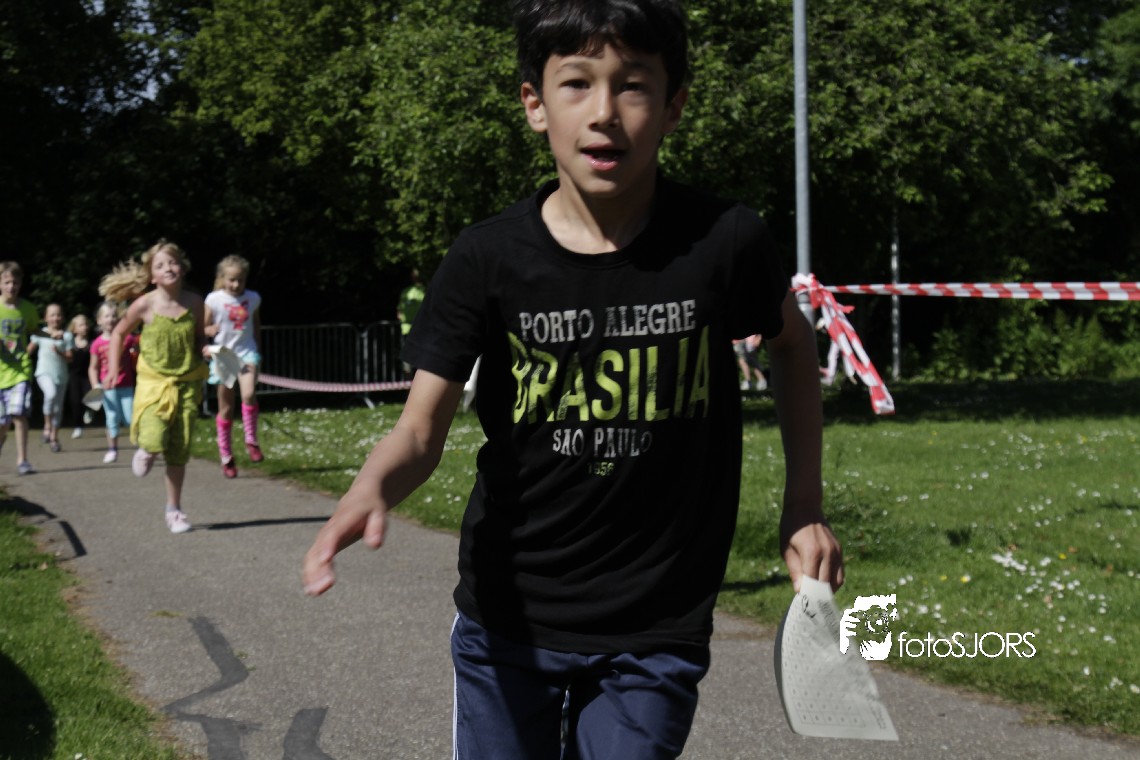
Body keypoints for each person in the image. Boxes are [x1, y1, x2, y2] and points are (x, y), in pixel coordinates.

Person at [302, 2, 843, 757]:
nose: (604, 112)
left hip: (656, 626)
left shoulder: (724, 241)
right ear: (535, 104)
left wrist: (804, 507)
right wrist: (371, 488)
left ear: (674, 106)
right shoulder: (486, 259)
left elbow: (791, 343)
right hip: (508, 621)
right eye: (577, 83)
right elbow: (420, 431)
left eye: (634, 84)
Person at [100, 240, 208, 534]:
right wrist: (113, 368)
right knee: (153, 436)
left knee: (178, 451)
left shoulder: (196, 303)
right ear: (152, 276)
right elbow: (119, 333)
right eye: (160, 265)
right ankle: (146, 449)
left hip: (186, 384)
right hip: (153, 384)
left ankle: (174, 510)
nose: (168, 268)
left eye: (172, 262)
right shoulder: (144, 304)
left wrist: (205, 347)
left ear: (182, 267)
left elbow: (200, 335)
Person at [204, 255, 264, 478]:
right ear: (222, 278)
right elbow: (204, 327)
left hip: (247, 353)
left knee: (248, 394)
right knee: (226, 409)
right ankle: (226, 456)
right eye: (231, 280)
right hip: (223, 356)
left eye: (240, 280)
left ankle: (251, 440)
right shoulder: (214, 299)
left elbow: (255, 325)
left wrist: (258, 351)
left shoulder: (253, 298)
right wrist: (209, 331)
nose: (236, 284)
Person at [0, 261, 40, 475]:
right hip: (0, 373)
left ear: (20, 283)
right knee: (2, 422)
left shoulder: (28, 309)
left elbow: (34, 330)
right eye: (7, 282)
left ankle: (23, 460)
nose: (11, 286)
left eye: (15, 282)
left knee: (19, 414)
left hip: (20, 371)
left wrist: (51, 335)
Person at [89, 301, 139, 464]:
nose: (111, 319)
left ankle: (141, 448)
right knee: (112, 418)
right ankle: (112, 449)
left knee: (131, 419)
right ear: (99, 320)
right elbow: (93, 368)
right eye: (107, 316)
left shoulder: (128, 339)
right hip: (107, 388)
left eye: (114, 316)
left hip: (126, 385)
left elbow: (138, 352)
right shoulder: (97, 344)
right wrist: (95, 385)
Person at [30, 303, 74, 452]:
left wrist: (59, 352)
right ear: (45, 318)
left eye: (58, 315)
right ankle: (47, 426)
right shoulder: (40, 333)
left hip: (61, 376)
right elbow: (28, 350)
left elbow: (70, 358)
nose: (56, 318)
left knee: (58, 409)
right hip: (43, 373)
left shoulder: (67, 336)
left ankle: (54, 438)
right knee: (50, 394)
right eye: (52, 315)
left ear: (62, 317)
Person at [65, 313, 94, 439]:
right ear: (74, 329)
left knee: (90, 396)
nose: (85, 327)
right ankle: (78, 427)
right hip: (74, 376)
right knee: (75, 401)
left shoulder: (92, 342)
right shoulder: (69, 343)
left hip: (88, 375)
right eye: (81, 325)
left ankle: (90, 410)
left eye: (86, 324)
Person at [396, 269, 425, 377]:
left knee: (410, 361)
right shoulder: (423, 291)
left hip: (411, 329)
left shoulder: (408, 291)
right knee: (416, 361)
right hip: (414, 329)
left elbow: (399, 313)